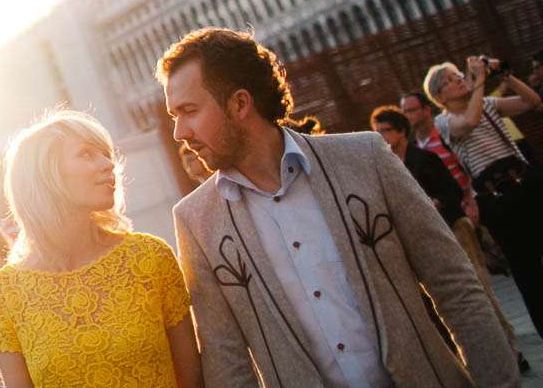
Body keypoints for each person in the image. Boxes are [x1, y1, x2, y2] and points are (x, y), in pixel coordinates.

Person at [162, 27, 516, 387]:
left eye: (188, 111)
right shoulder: (195, 221)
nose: (179, 132)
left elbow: (456, 288)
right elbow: (226, 361)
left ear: (240, 103)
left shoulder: (365, 158)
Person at [0, 109, 197, 388]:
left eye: (106, 153)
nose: (109, 164)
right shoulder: (3, 295)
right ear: (45, 175)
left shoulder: (150, 258)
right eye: (86, 154)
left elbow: (193, 379)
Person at [371, 103, 522, 367]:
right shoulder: (385, 166)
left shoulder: (423, 160)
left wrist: (435, 202)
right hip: (422, 239)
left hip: (453, 229)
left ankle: (509, 350)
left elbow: (452, 191)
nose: (381, 136)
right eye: (377, 131)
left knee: (478, 287)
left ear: (400, 132)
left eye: (385, 130)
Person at [426, 55, 543, 331]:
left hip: (524, 180)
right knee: (527, 269)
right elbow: (470, 122)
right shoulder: (444, 122)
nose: (458, 81)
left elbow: (533, 102)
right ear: (440, 96)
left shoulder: (488, 103)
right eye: (450, 81)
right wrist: (479, 81)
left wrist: (505, 75)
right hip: (497, 196)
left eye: (457, 76)